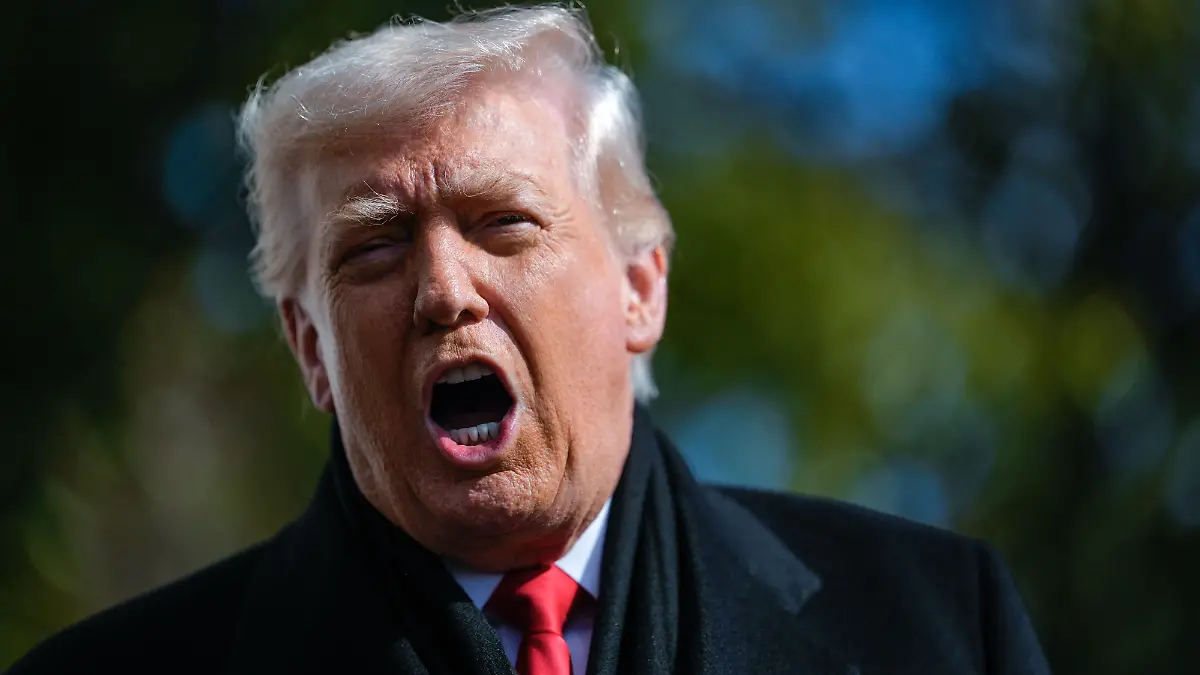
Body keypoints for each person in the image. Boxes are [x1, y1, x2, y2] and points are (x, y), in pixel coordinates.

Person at [11, 6, 1051, 674]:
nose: (443, 290)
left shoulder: (939, 626)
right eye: (372, 250)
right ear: (311, 350)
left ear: (641, 286)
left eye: (502, 224)